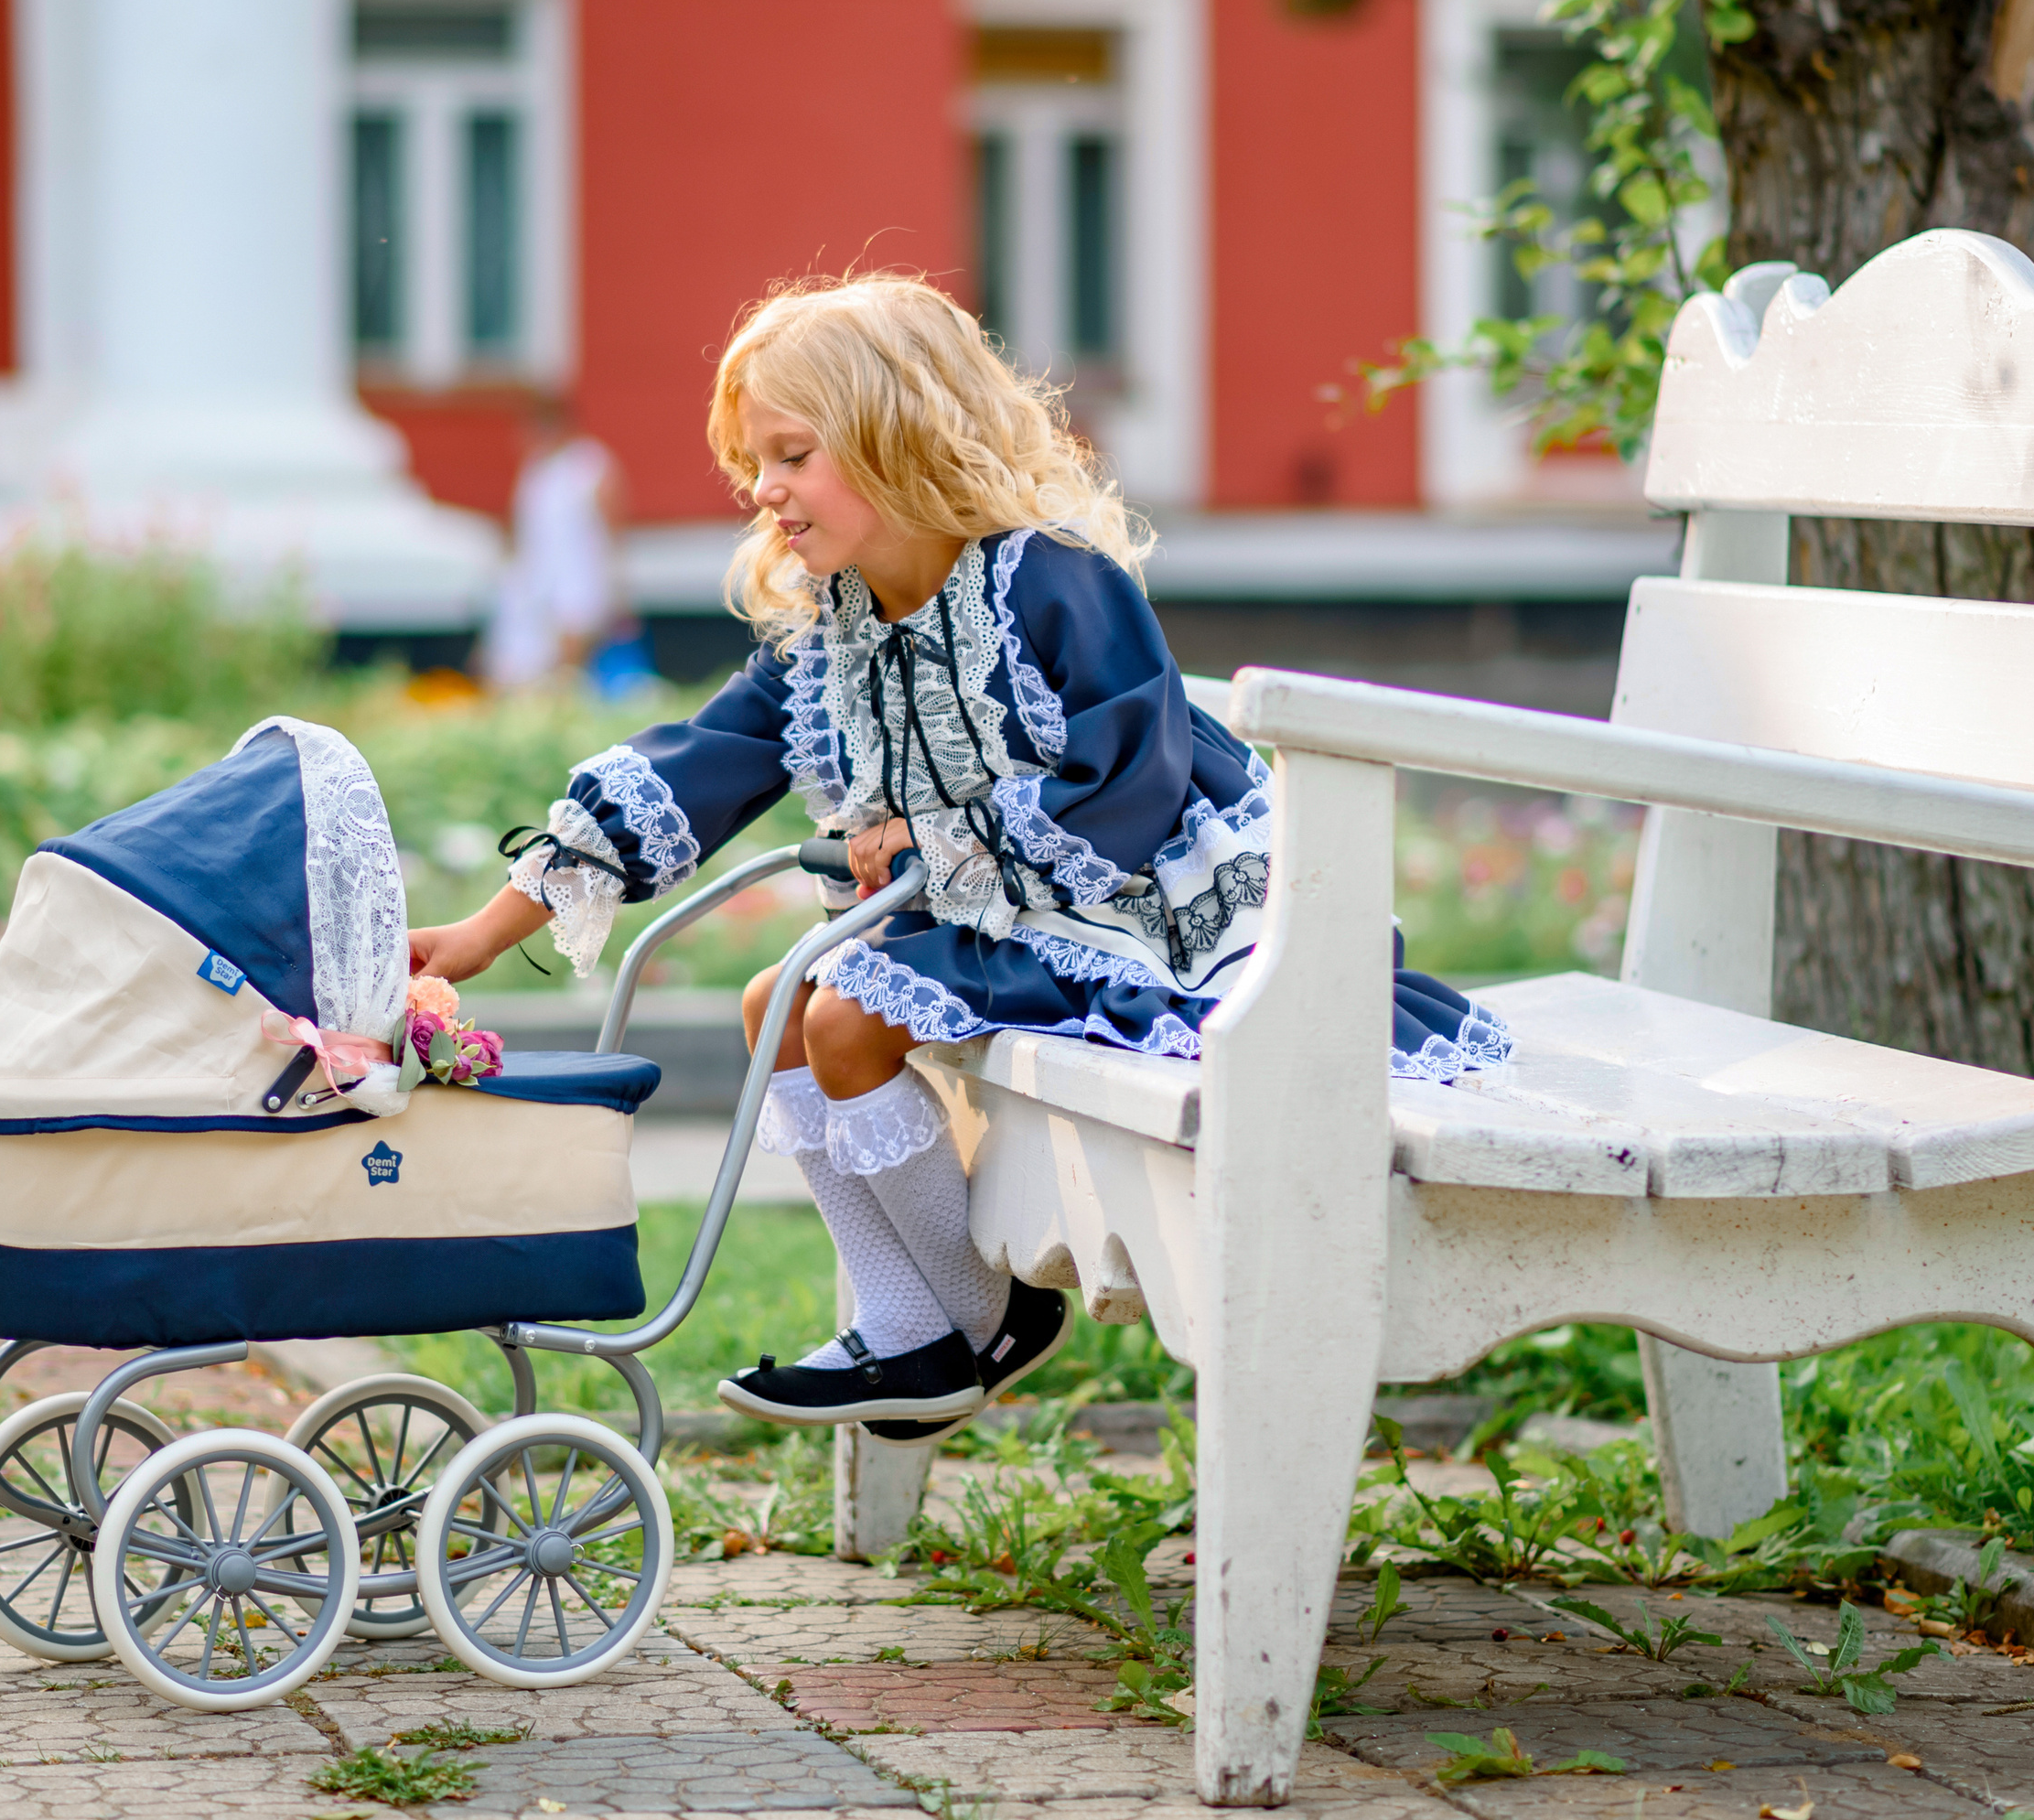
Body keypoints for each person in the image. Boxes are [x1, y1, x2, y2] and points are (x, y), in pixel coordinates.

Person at [409, 275, 1512, 1441]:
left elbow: (1129, 776)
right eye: (754, 465)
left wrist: (939, 841)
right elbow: (695, 765)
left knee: (843, 1019)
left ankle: (979, 1320)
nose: (763, 490)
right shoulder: (831, 624)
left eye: (791, 455)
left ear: (894, 437)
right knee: (771, 1006)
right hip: (993, 908)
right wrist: (484, 932)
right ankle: (908, 1323)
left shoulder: (1052, 578)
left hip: (1134, 904)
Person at [485, 402, 633, 689]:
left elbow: (613, 525)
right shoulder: (535, 469)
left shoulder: (589, 463)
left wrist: (616, 580)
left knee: (571, 651)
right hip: (539, 577)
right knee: (531, 656)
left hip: (581, 573)